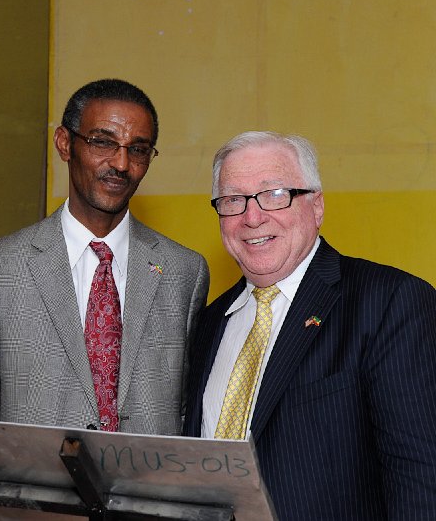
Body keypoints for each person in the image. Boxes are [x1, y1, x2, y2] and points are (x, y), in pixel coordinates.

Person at [0, 78, 209, 517]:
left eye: (138, 149)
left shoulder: (184, 272)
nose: (121, 163)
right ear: (65, 143)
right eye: (103, 142)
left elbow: (184, 412)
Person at [183, 131, 436, 520]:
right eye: (233, 199)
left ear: (316, 206)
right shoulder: (208, 322)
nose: (252, 217)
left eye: (275, 194)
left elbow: (421, 477)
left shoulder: (388, 302)